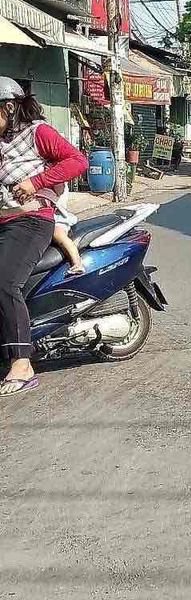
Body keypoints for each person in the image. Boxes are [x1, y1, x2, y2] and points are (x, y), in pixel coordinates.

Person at [0, 78, 88, 396]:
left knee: (4, 282)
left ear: (9, 108)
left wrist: (36, 182)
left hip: (31, 222)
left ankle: (22, 364)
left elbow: (78, 161)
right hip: (4, 222)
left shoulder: (38, 133)